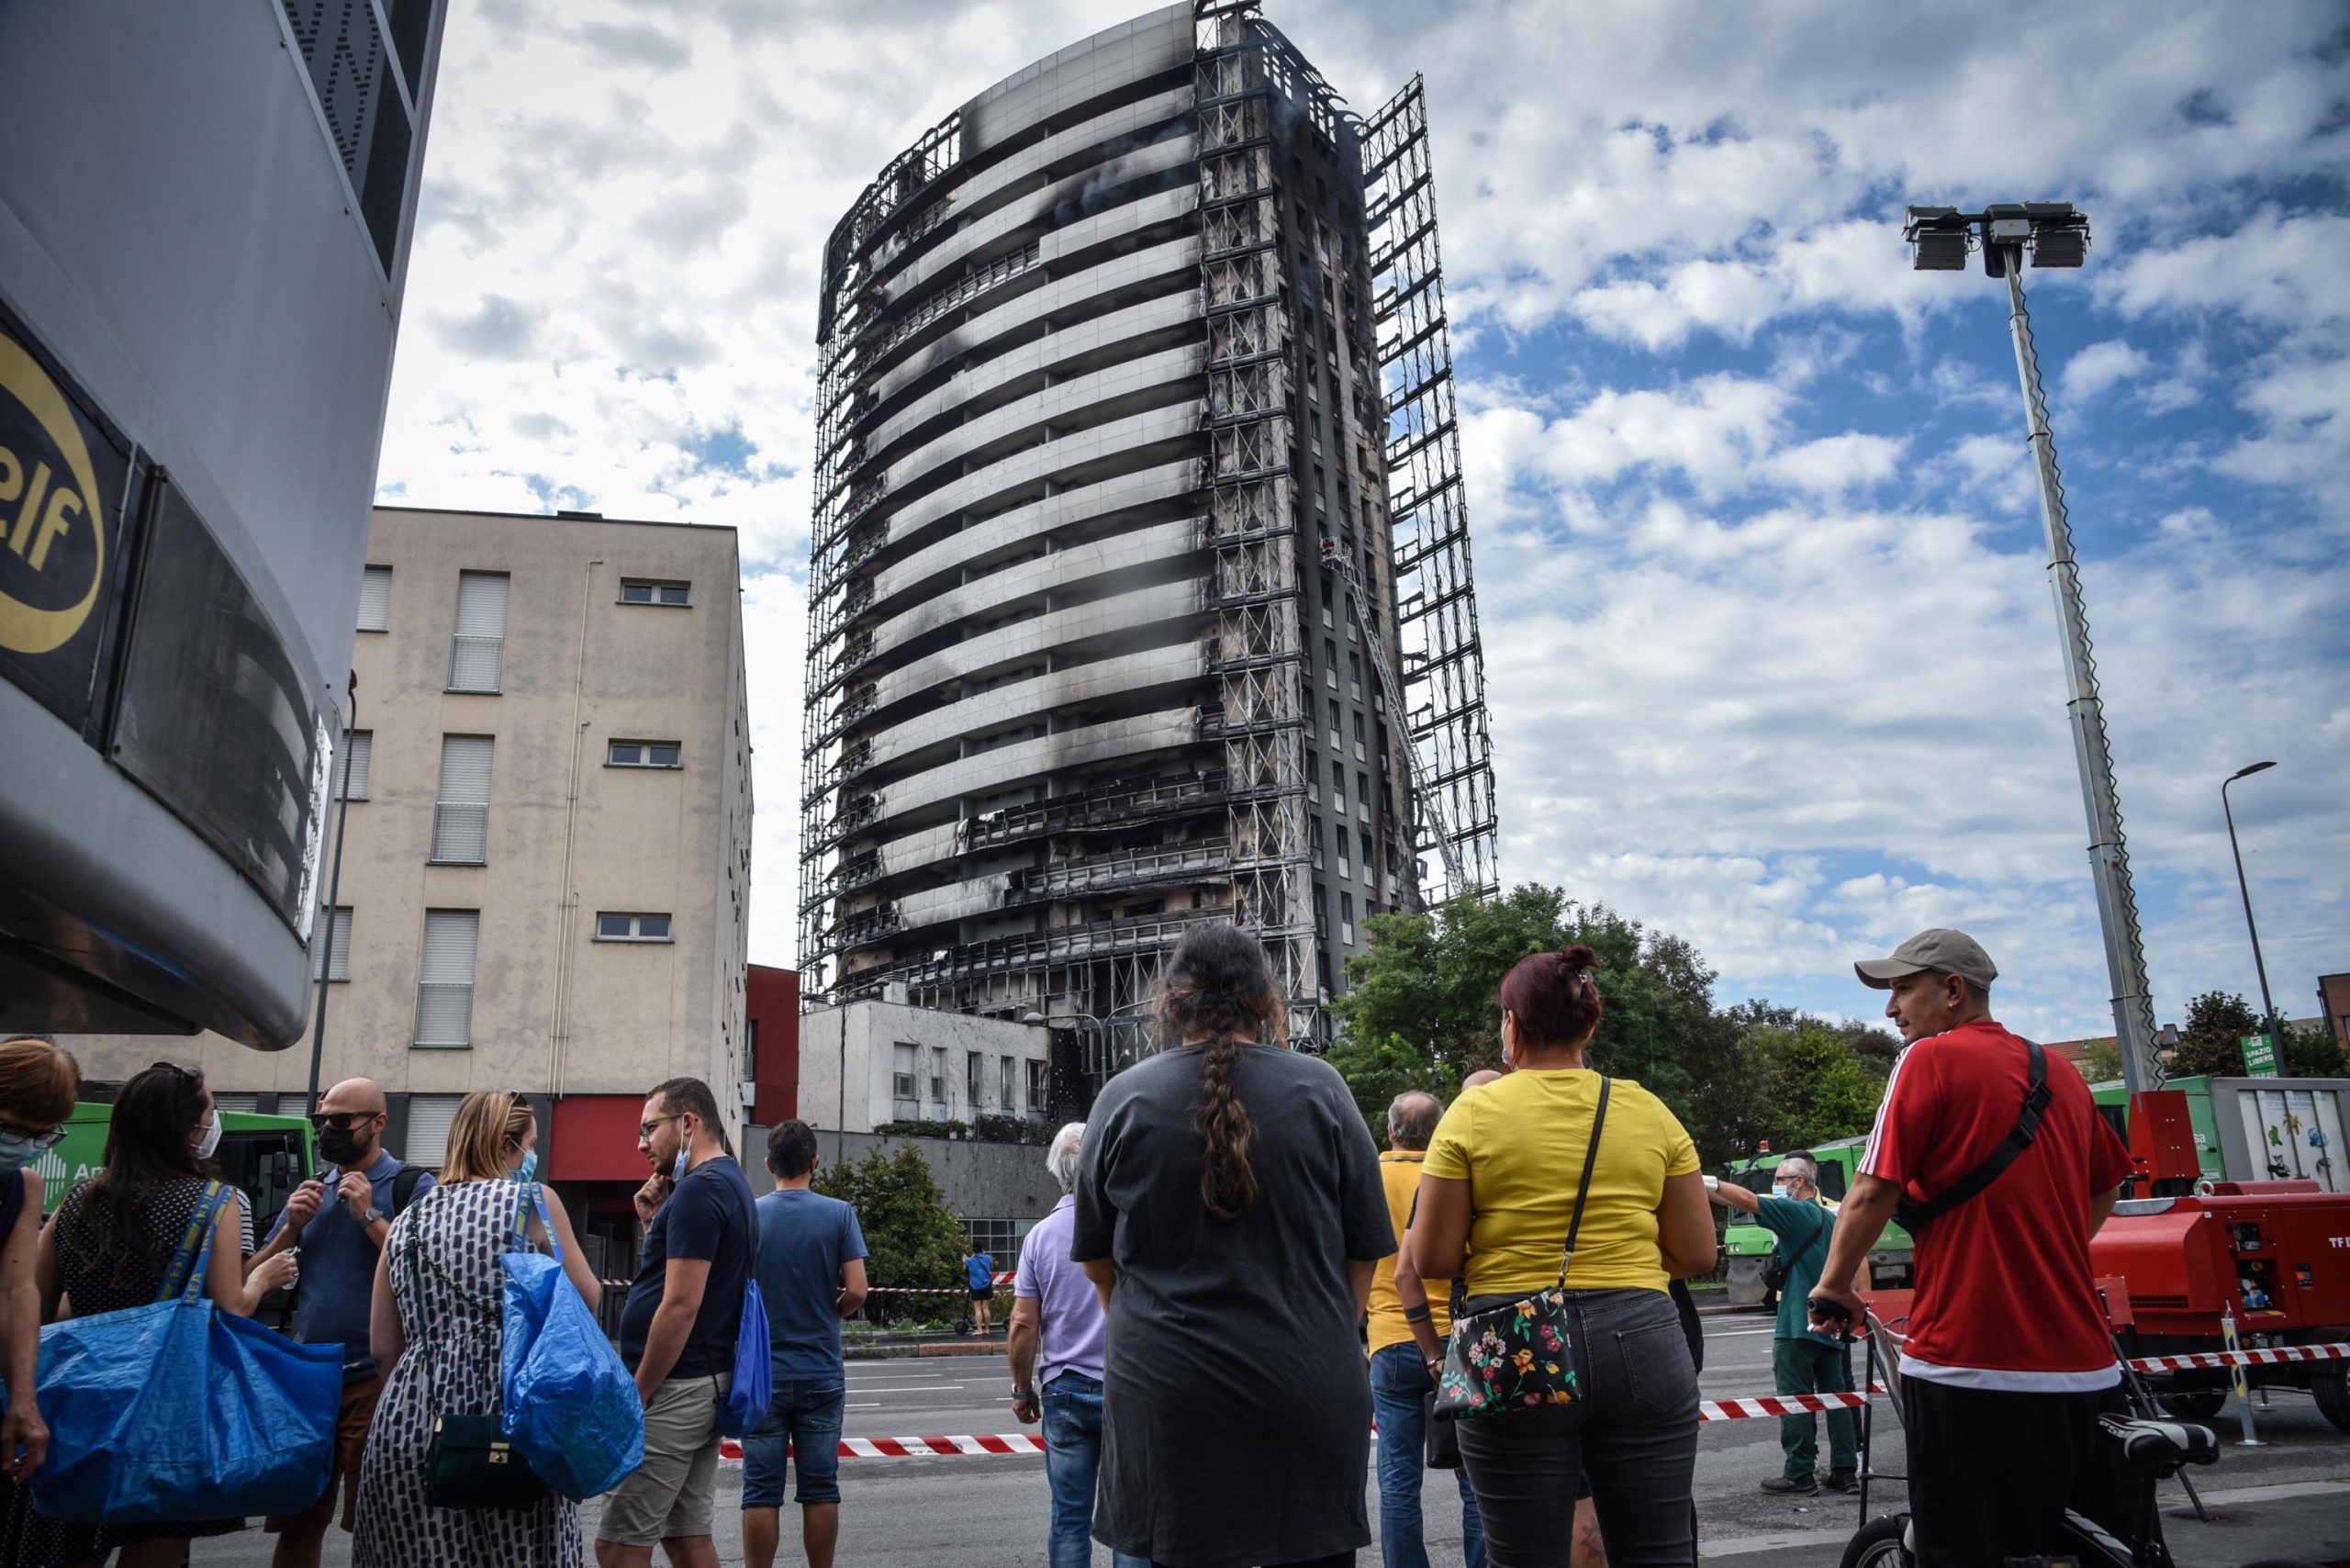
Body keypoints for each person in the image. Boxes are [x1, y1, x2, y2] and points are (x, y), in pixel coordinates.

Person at [1808, 929, 2138, 1567]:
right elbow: (2106, 1187)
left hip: (1969, 1361)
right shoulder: (2060, 1072)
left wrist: (1834, 1285)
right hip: (2088, 1369)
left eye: (1903, 989)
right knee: (2086, 1547)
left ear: (1952, 991)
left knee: (1964, 1549)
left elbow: (1873, 1189)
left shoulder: (1929, 1059)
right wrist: (2047, 1249)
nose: (1890, 1008)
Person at [1072, 921, 1394, 1568]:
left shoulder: (1123, 1098)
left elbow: (1098, 1262)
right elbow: (1366, 1248)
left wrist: (1148, 1324)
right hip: (1306, 1382)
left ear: (1172, 1000)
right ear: (1265, 999)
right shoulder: (1321, 1088)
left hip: (1166, 1391)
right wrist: (1333, 1324)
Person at [1409, 946, 1717, 1568]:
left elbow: (1436, 1258)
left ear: (1512, 1027)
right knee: (1659, 1553)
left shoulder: (1473, 1112)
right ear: (1590, 1025)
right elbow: (1697, 1252)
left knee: (1521, 1556)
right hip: (1644, 1334)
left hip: (1511, 1341)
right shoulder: (1649, 1110)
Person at [1, 1060, 297, 1567]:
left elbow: (35, 1303)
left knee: (65, 1541)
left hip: (77, 1403)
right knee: (156, 1547)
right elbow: (232, 1308)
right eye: (208, 1115)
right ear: (186, 1129)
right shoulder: (214, 1201)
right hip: (166, 1413)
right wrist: (264, 1278)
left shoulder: (77, 1199)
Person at [352, 1091, 599, 1566]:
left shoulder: (406, 1221)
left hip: (411, 1422)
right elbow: (586, 1297)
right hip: (510, 1419)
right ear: (508, 1145)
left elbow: (384, 1349)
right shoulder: (532, 1201)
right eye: (531, 1143)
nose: (533, 1155)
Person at [251, 1077, 435, 1567]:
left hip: (375, 1379)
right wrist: (289, 1227)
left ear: (378, 1123)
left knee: (381, 1525)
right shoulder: (313, 1192)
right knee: (296, 1523)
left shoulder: (412, 1184)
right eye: (322, 1121)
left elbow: (428, 1265)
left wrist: (370, 1214)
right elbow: (248, 1278)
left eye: (340, 1121)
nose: (328, 1131)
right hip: (307, 1379)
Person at [598, 1077, 756, 1568]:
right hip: (703, 1381)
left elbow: (681, 1305)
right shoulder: (730, 1182)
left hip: (674, 1389)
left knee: (619, 1548)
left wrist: (638, 1395)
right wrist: (654, 1223)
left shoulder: (697, 1192)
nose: (640, 1143)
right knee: (685, 1539)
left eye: (650, 1129)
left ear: (688, 1123)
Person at [1009, 1124, 1146, 1568]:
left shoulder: (1039, 1238)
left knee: (1068, 1519)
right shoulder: (1127, 1230)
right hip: (1126, 1387)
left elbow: (1023, 1324)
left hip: (1065, 1390)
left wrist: (1022, 1389)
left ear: (1056, 1169)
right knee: (1133, 1521)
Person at [742, 1120, 867, 1568]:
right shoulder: (839, 1214)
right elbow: (857, 1290)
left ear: (769, 1163)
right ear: (815, 1163)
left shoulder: (749, 1215)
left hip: (762, 1377)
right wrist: (826, 1312)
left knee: (759, 1490)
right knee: (820, 1488)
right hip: (820, 1371)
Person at [1371, 1092, 1486, 1568]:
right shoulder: (1456, 1173)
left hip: (1391, 1337)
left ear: (1391, 1130)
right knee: (1476, 1479)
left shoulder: (1367, 1177)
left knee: (1398, 1480)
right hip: (1459, 1338)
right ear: (1439, 1131)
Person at [1705, 1155, 1855, 1495]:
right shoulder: (1828, 1219)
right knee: (1838, 1399)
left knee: (1795, 1399)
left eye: (1780, 1177)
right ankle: (1845, 1471)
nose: (1777, 1182)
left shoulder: (1796, 1212)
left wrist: (1706, 1183)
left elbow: (1746, 1200)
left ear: (1799, 1183)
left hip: (1796, 1324)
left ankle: (1799, 1472)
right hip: (1829, 1320)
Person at [0, 1038, 80, 1488]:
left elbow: (17, 1291)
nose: (25, 1146)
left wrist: (23, 1401)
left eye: (41, 1135)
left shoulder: (21, 1188)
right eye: (12, 1129)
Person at [964, 1244, 996, 1336]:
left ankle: (979, 1330)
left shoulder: (969, 1261)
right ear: (982, 1249)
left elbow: (964, 1268)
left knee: (978, 1309)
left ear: (973, 1251)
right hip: (987, 1285)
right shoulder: (988, 1258)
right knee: (986, 1308)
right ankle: (987, 1329)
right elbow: (991, 1267)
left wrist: (966, 1259)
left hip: (975, 1286)